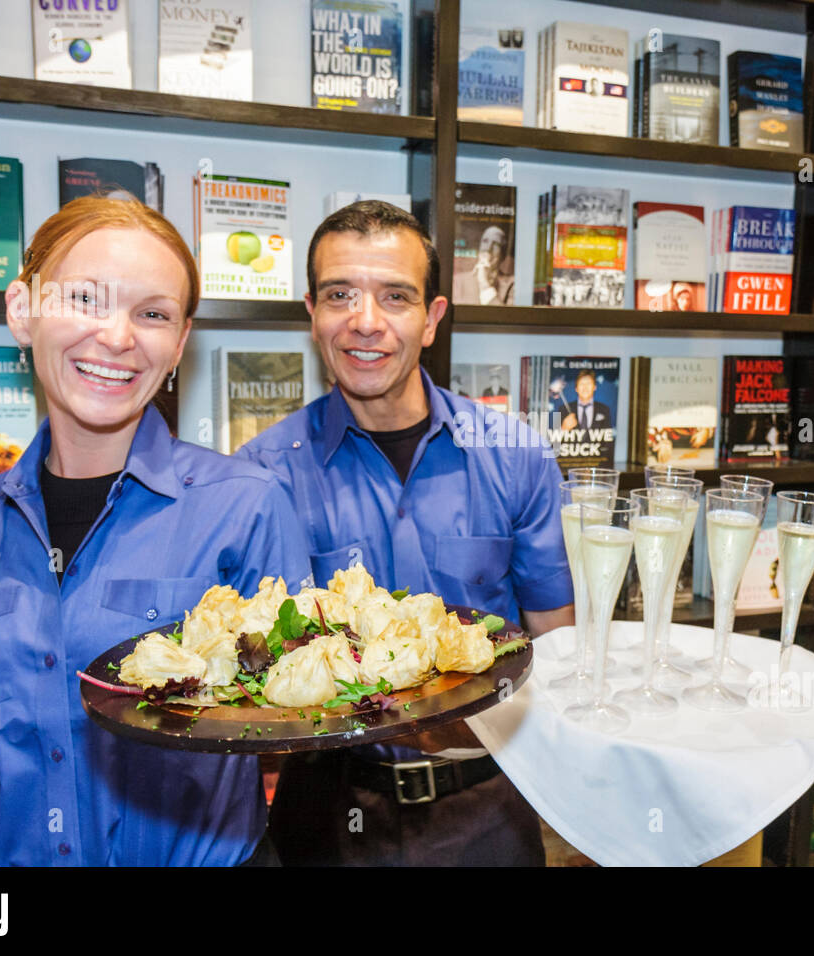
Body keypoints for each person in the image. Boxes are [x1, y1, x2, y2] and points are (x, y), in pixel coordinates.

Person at [0, 196, 311, 866]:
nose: (118, 337)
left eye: (152, 313)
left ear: (178, 343)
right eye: (86, 300)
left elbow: (296, 713)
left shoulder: (244, 503)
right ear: (22, 310)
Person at [238, 200, 573, 866]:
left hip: (488, 813)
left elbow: (559, 649)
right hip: (324, 817)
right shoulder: (259, 475)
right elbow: (251, 680)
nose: (366, 322)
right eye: (340, 295)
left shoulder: (517, 456)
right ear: (312, 313)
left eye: (396, 296)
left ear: (432, 319)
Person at [452, 224, 514, 305]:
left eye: (496, 244)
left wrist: (484, 284)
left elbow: (508, 317)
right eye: (485, 241)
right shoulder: (458, 281)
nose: (488, 248)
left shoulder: (511, 284)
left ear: (503, 255)